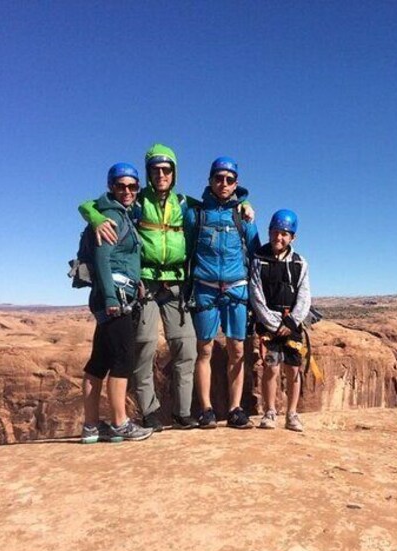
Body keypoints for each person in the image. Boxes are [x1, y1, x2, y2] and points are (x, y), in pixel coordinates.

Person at [80, 144, 254, 431]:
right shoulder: (136, 201)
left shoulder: (186, 204)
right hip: (145, 286)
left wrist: (244, 204)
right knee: (144, 347)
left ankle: (183, 413)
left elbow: (220, 205)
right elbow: (89, 204)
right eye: (156, 170)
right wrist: (95, 216)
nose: (161, 174)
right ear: (148, 173)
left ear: (174, 173)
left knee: (186, 347)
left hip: (176, 286)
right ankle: (150, 412)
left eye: (167, 170)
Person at [185, 157, 260, 429]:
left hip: (236, 290)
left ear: (236, 183)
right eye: (219, 178)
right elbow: (187, 250)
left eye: (229, 179)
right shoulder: (196, 214)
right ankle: (206, 409)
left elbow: (255, 256)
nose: (223, 183)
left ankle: (235, 408)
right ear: (210, 180)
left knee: (237, 350)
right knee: (204, 349)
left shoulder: (243, 216)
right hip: (205, 289)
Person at [81, 163, 153, 443]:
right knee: (123, 359)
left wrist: (137, 282)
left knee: (99, 361)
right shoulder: (112, 216)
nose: (127, 191)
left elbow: (120, 258)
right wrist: (112, 297)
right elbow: (102, 258)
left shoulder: (119, 214)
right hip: (115, 298)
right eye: (121, 186)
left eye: (132, 186)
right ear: (111, 186)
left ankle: (90, 427)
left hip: (116, 292)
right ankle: (120, 423)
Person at [249, 209, 311, 432]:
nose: (279, 237)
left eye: (284, 234)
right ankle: (270, 411)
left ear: (292, 237)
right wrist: (273, 324)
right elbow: (255, 294)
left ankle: (292, 414)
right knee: (271, 368)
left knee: (293, 369)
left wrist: (292, 322)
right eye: (275, 232)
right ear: (269, 232)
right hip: (269, 325)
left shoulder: (299, 263)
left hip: (292, 324)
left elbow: (304, 296)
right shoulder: (259, 259)